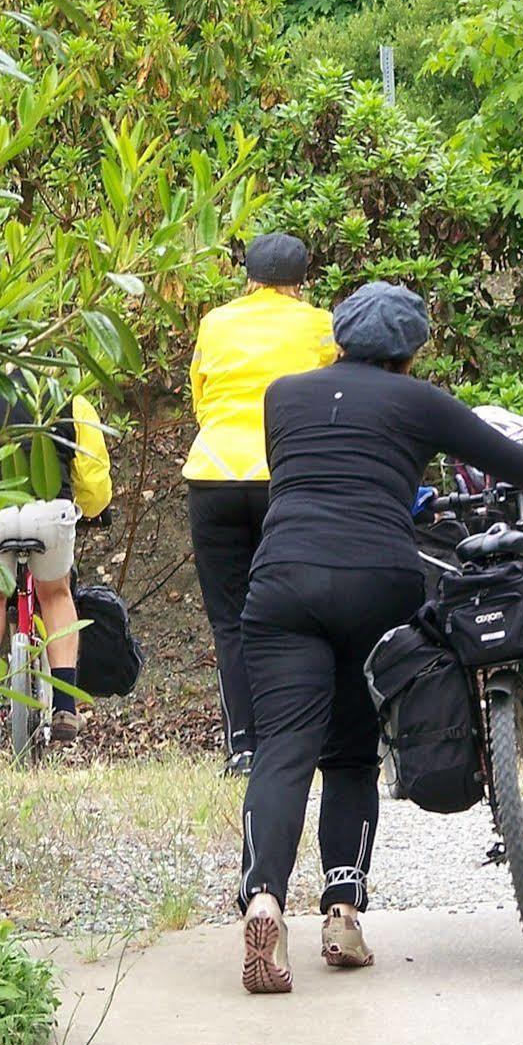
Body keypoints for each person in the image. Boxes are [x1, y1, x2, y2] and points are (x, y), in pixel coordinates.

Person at [236, 281, 523, 993]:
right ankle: (340, 913)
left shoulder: (283, 396)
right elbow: (518, 464)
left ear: (338, 336)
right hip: (375, 580)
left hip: (281, 580)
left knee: (283, 748)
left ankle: (265, 897)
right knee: (352, 756)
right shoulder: (417, 401)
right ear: (410, 349)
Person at [183, 233, 337, 776]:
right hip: (287, 479)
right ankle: (305, 736)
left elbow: (201, 397)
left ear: (247, 276)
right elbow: (330, 394)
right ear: (301, 281)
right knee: (304, 612)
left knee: (231, 620)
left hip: (214, 475)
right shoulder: (319, 324)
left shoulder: (214, 323)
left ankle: (243, 745)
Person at [0, 371, 114, 745]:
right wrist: (94, 507)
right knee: (56, 595)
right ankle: (65, 705)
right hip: (50, 513)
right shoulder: (72, 401)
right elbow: (93, 480)